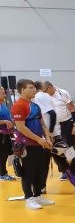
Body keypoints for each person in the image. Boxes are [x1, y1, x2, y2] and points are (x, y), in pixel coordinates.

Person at [11, 80, 53, 210]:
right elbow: (21, 127)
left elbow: (43, 124)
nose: (34, 90)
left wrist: (47, 137)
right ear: (22, 90)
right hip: (27, 145)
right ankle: (29, 198)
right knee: (28, 172)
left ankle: (38, 195)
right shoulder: (18, 106)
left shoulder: (35, 106)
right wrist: (39, 139)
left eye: (34, 87)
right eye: (30, 88)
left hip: (40, 144)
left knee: (40, 170)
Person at [43, 81, 75, 175]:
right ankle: (64, 170)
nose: (45, 93)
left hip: (67, 123)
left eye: (45, 91)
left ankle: (74, 165)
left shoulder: (62, 93)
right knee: (58, 147)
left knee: (69, 146)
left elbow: (72, 109)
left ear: (50, 87)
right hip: (55, 125)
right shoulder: (46, 96)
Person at [33, 81, 58, 198]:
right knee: (61, 161)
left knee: (45, 163)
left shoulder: (39, 97)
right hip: (54, 134)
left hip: (50, 136)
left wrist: (50, 133)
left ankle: (41, 187)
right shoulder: (46, 95)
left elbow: (52, 114)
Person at [0, 86, 16, 180]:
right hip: (1, 135)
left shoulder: (4, 104)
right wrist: (4, 121)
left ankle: (3, 172)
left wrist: (11, 121)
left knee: (7, 153)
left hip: (8, 133)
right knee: (2, 155)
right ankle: (2, 174)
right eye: (3, 93)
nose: (5, 95)